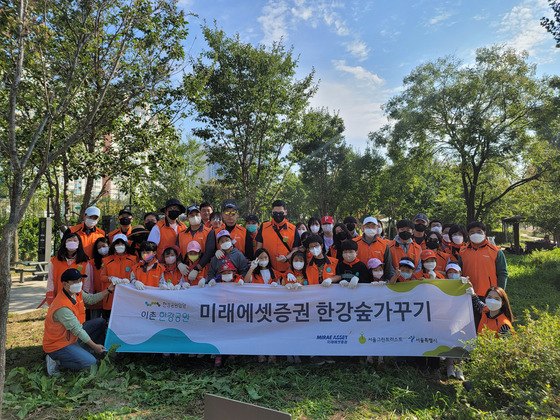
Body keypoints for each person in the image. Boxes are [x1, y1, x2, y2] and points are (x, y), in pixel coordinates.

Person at [43, 268, 114, 376]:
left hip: (71, 336)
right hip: (60, 344)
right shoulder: (61, 306)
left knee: (100, 322)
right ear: (65, 284)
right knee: (91, 363)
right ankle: (56, 360)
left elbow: (91, 299)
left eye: (80, 280)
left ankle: (87, 351)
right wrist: (95, 345)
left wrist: (108, 290)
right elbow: (77, 330)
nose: (79, 284)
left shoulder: (77, 293)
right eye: (75, 282)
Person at [458, 221, 508, 299]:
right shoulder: (462, 251)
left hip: (488, 294)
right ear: (468, 234)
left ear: (484, 233)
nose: (475, 234)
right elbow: (459, 271)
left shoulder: (496, 251)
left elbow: (503, 273)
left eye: (479, 231)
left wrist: (499, 292)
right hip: (467, 292)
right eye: (472, 232)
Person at [46, 231, 92, 305]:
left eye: (75, 240)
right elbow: (51, 279)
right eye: (69, 240)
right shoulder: (55, 260)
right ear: (64, 242)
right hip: (59, 296)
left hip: (77, 298)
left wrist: (85, 295)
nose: (72, 242)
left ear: (79, 243)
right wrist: (50, 294)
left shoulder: (84, 261)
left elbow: (87, 281)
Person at [255, 200, 301, 273]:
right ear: (272, 213)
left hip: (287, 269)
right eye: (275, 213)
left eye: (281, 213)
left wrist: (286, 258)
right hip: (267, 269)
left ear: (285, 212)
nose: (278, 215)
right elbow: (259, 248)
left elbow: (295, 249)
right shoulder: (264, 227)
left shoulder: (292, 229)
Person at [100, 234, 136, 319]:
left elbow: (136, 276)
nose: (120, 246)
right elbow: (102, 277)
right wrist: (110, 278)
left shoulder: (133, 259)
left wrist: (130, 280)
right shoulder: (106, 260)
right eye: (117, 244)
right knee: (108, 323)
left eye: (122, 244)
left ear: (126, 245)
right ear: (113, 246)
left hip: (127, 297)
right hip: (110, 298)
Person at [177, 205, 216, 282]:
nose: (194, 217)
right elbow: (177, 251)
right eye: (191, 215)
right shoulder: (181, 234)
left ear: (200, 216)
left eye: (197, 214)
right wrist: (179, 264)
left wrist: (197, 268)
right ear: (187, 218)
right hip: (185, 270)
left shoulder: (209, 232)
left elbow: (209, 252)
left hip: (204, 270)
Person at [354, 217, 392, 281]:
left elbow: (388, 265)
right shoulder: (354, 242)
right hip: (358, 281)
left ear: (377, 228)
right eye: (368, 226)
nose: (370, 229)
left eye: (373, 226)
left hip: (378, 282)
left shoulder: (384, 244)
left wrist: (388, 279)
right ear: (363, 228)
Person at [87, 237, 110, 319]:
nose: (101, 249)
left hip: (109, 297)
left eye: (104, 246)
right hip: (96, 297)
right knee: (95, 322)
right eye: (99, 247)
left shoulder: (112, 261)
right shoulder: (92, 263)